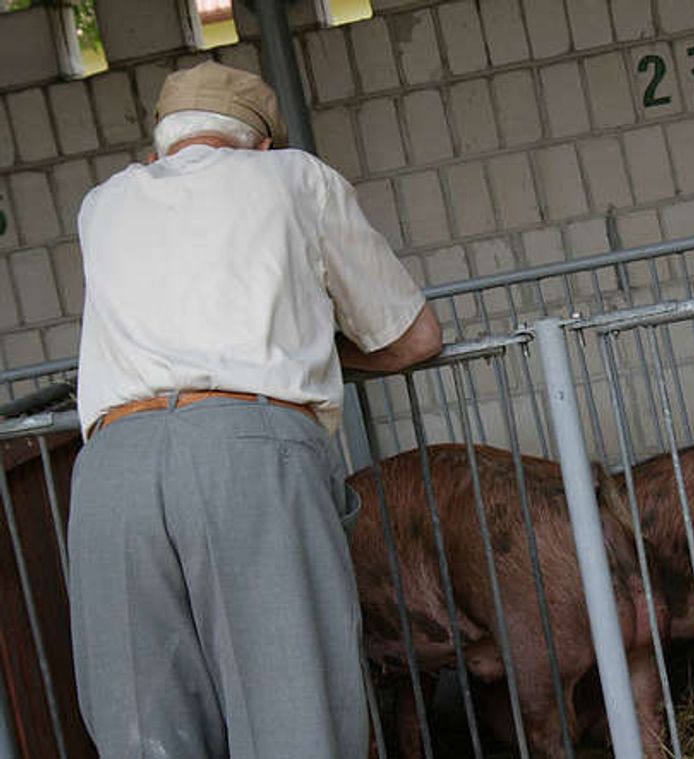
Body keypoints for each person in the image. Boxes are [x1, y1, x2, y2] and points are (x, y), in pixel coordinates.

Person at [68, 61, 441, 758]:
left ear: (157, 152)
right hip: (248, 452)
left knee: (142, 727)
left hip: (110, 467)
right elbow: (414, 336)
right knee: (290, 712)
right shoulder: (296, 177)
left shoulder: (103, 203)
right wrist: (324, 356)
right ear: (260, 145)